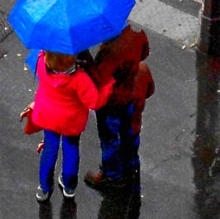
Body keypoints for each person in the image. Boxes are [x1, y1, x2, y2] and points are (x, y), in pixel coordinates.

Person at [30, 50, 113, 200]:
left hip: (48, 118)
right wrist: (108, 86)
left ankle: (44, 187)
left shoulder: (41, 63)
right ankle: (69, 185)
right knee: (71, 150)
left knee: (49, 150)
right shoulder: (80, 78)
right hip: (71, 122)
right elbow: (94, 102)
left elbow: (41, 54)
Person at [84, 26, 154, 191]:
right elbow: (144, 53)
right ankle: (131, 167)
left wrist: (86, 58)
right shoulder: (137, 34)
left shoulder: (111, 52)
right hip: (129, 97)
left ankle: (112, 176)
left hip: (112, 102)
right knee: (128, 134)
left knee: (109, 137)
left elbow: (99, 79)